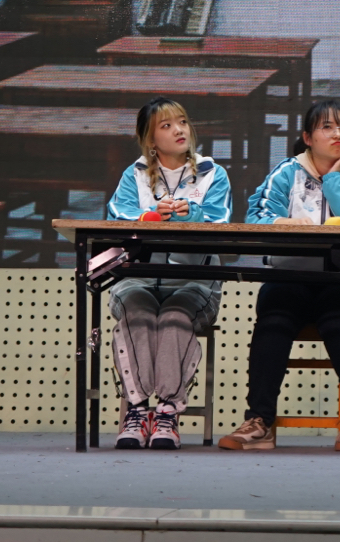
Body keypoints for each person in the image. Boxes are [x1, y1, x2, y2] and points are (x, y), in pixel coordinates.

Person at [220, 99, 340, 452]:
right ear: (308, 138)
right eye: (327, 127)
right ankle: (259, 421)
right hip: (290, 278)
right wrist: (284, 222)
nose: (338, 134)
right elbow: (256, 219)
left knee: (339, 321)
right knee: (273, 321)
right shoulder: (286, 173)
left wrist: (335, 180)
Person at [103, 97, 232, 450]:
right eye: (166, 125)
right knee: (138, 314)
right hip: (138, 279)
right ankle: (137, 410)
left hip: (195, 281)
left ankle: (167, 413)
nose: (179, 130)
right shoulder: (134, 174)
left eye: (182, 122)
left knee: (174, 317)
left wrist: (193, 214)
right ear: (150, 139)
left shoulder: (212, 173)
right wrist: (148, 217)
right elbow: (117, 217)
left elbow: (221, 222)